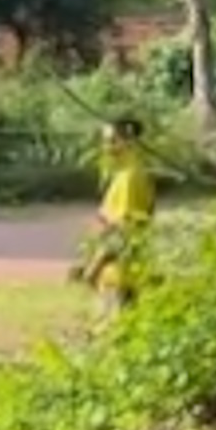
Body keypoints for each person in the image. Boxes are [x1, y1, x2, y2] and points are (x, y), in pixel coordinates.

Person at [73, 116, 156, 315]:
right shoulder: (124, 174)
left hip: (120, 274)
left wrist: (94, 266)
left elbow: (122, 232)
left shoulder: (131, 178)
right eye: (105, 141)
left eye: (112, 141)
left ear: (130, 141)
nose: (106, 147)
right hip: (115, 273)